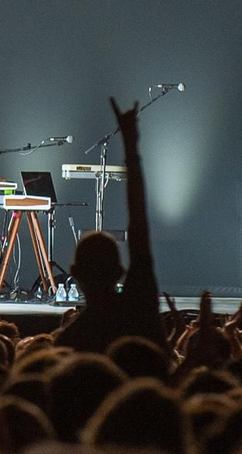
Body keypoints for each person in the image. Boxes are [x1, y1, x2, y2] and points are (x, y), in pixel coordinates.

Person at [53, 98, 166, 354]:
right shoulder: (139, 311)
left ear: (75, 272)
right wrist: (131, 147)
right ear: (120, 271)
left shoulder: (68, 341)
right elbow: (139, 223)